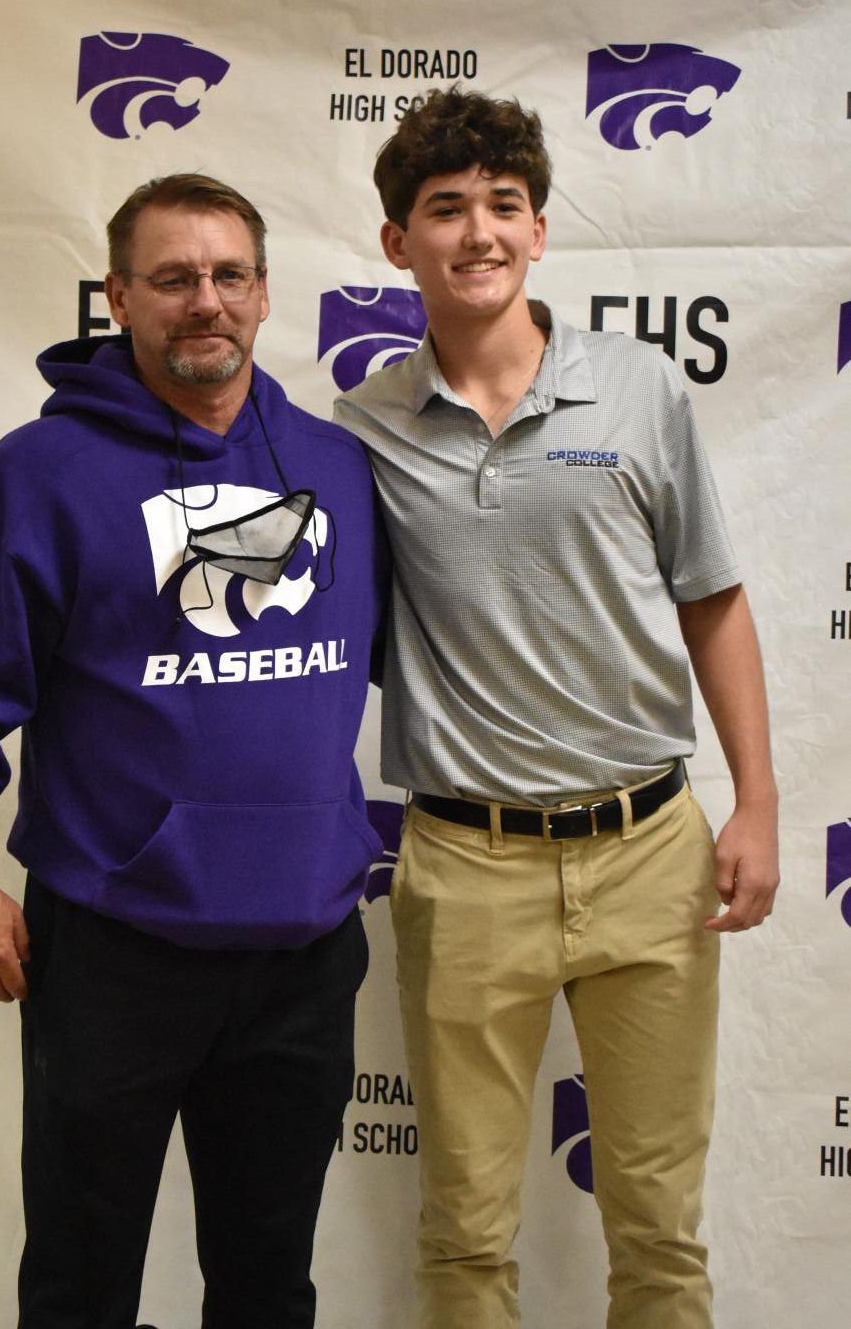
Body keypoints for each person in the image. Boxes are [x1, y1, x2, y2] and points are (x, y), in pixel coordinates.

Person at [0, 173, 386, 1329]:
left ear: (264, 295)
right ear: (118, 296)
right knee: (79, 1279)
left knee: (269, 1286)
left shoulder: (343, 471)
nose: (203, 300)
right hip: (113, 949)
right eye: (172, 278)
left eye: (227, 276)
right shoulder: (42, 475)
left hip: (305, 954)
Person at [334, 88, 779, 1329]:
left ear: (538, 233)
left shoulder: (638, 388)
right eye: (444, 209)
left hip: (653, 853)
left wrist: (759, 799)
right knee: (467, 1229)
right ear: (396, 242)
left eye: (503, 206)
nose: (476, 231)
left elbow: (715, 601)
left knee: (657, 1224)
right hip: (465, 864)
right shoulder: (359, 430)